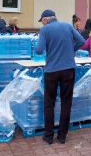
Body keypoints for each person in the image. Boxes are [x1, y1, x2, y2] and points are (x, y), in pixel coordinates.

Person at [36, 10, 85, 145]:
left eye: (42, 21)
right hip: (68, 69)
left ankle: (49, 135)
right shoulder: (68, 26)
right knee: (66, 101)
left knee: (49, 103)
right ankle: (62, 136)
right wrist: (71, 49)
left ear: (46, 19)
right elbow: (81, 41)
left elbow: (39, 50)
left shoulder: (45, 30)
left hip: (51, 70)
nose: (42, 23)